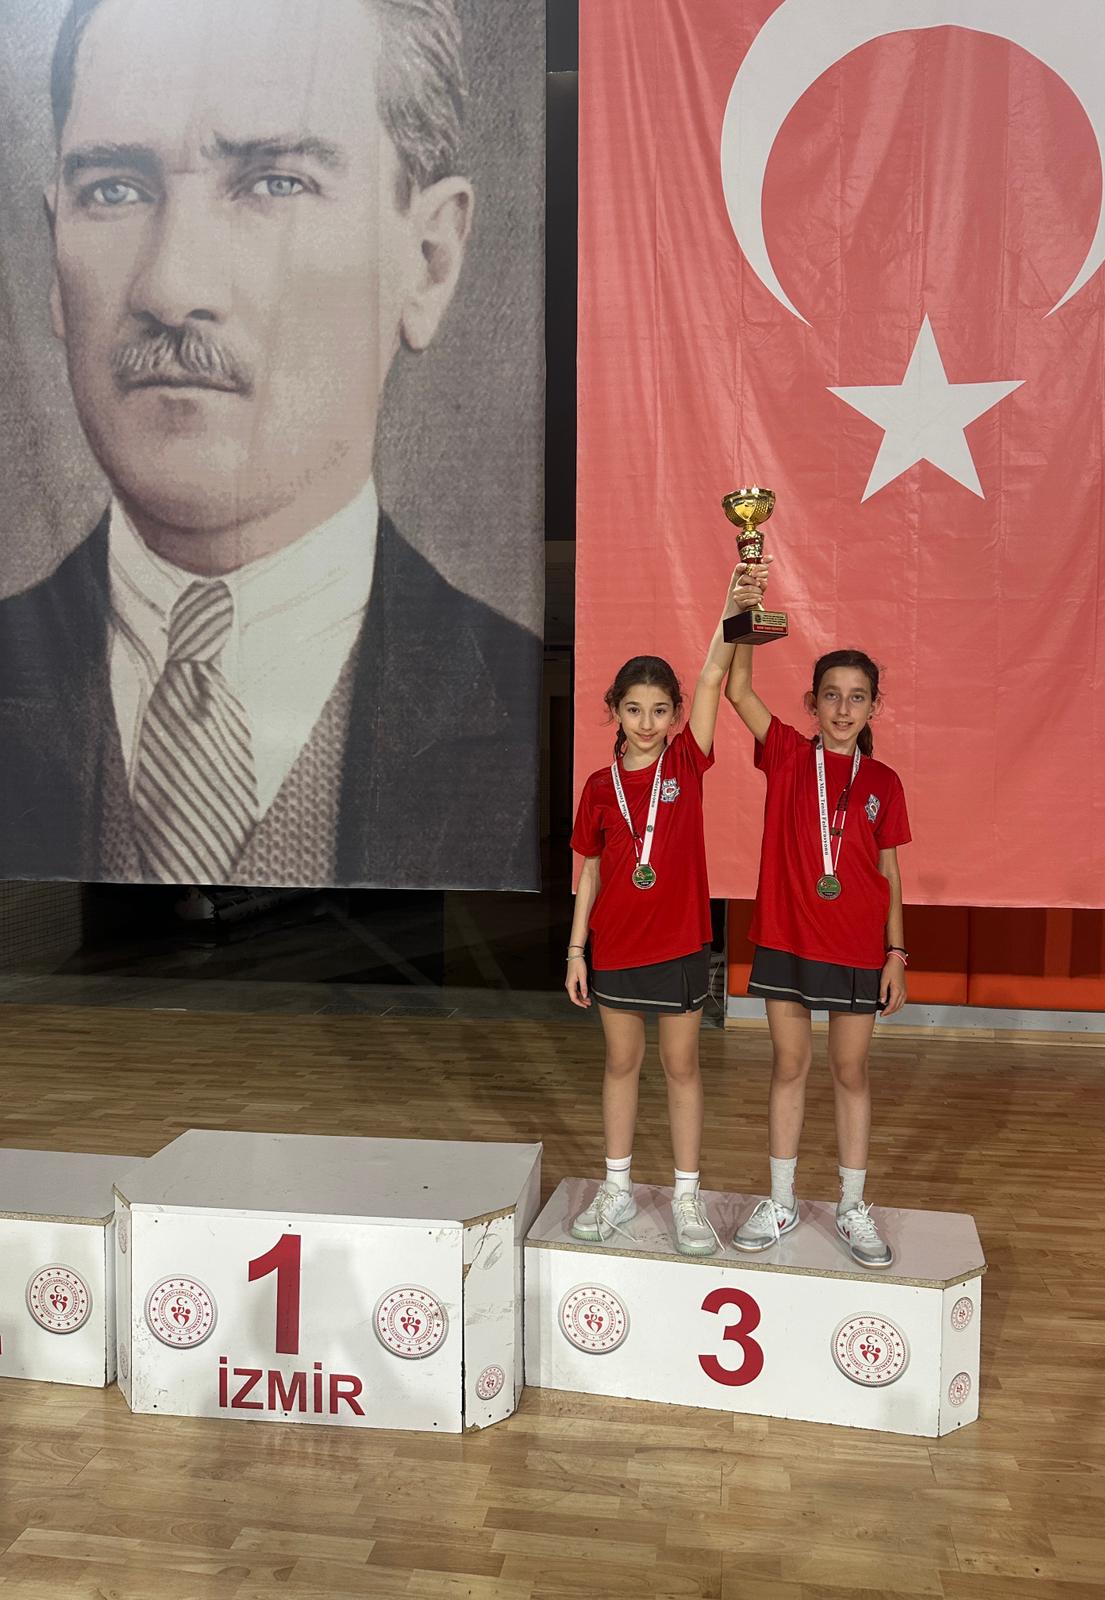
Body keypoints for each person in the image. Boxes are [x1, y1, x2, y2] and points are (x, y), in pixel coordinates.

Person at [0, 0, 539, 891]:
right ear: (54, 251)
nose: (170, 285)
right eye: (115, 191)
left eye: (275, 183)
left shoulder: (551, 718)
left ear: (428, 260)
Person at [565, 565, 766, 1257]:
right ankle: (618, 1188)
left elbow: (712, 677)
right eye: (633, 710)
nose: (646, 723)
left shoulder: (685, 764)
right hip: (616, 945)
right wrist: (575, 950)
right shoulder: (599, 787)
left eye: (659, 710)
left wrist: (733, 602)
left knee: (682, 1068)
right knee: (621, 1065)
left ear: (675, 716)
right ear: (615, 711)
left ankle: (686, 1198)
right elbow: (590, 870)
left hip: (680, 943)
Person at [725, 605, 911, 1267]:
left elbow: (889, 871)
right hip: (787, 938)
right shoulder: (786, 754)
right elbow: (738, 690)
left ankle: (852, 1207)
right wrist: (744, 613)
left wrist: (896, 951)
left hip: (858, 947)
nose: (843, 708)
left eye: (857, 697)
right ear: (812, 703)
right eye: (831, 695)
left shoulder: (883, 782)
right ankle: (780, 1201)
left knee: (851, 1072)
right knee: (789, 1065)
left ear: (874, 707)